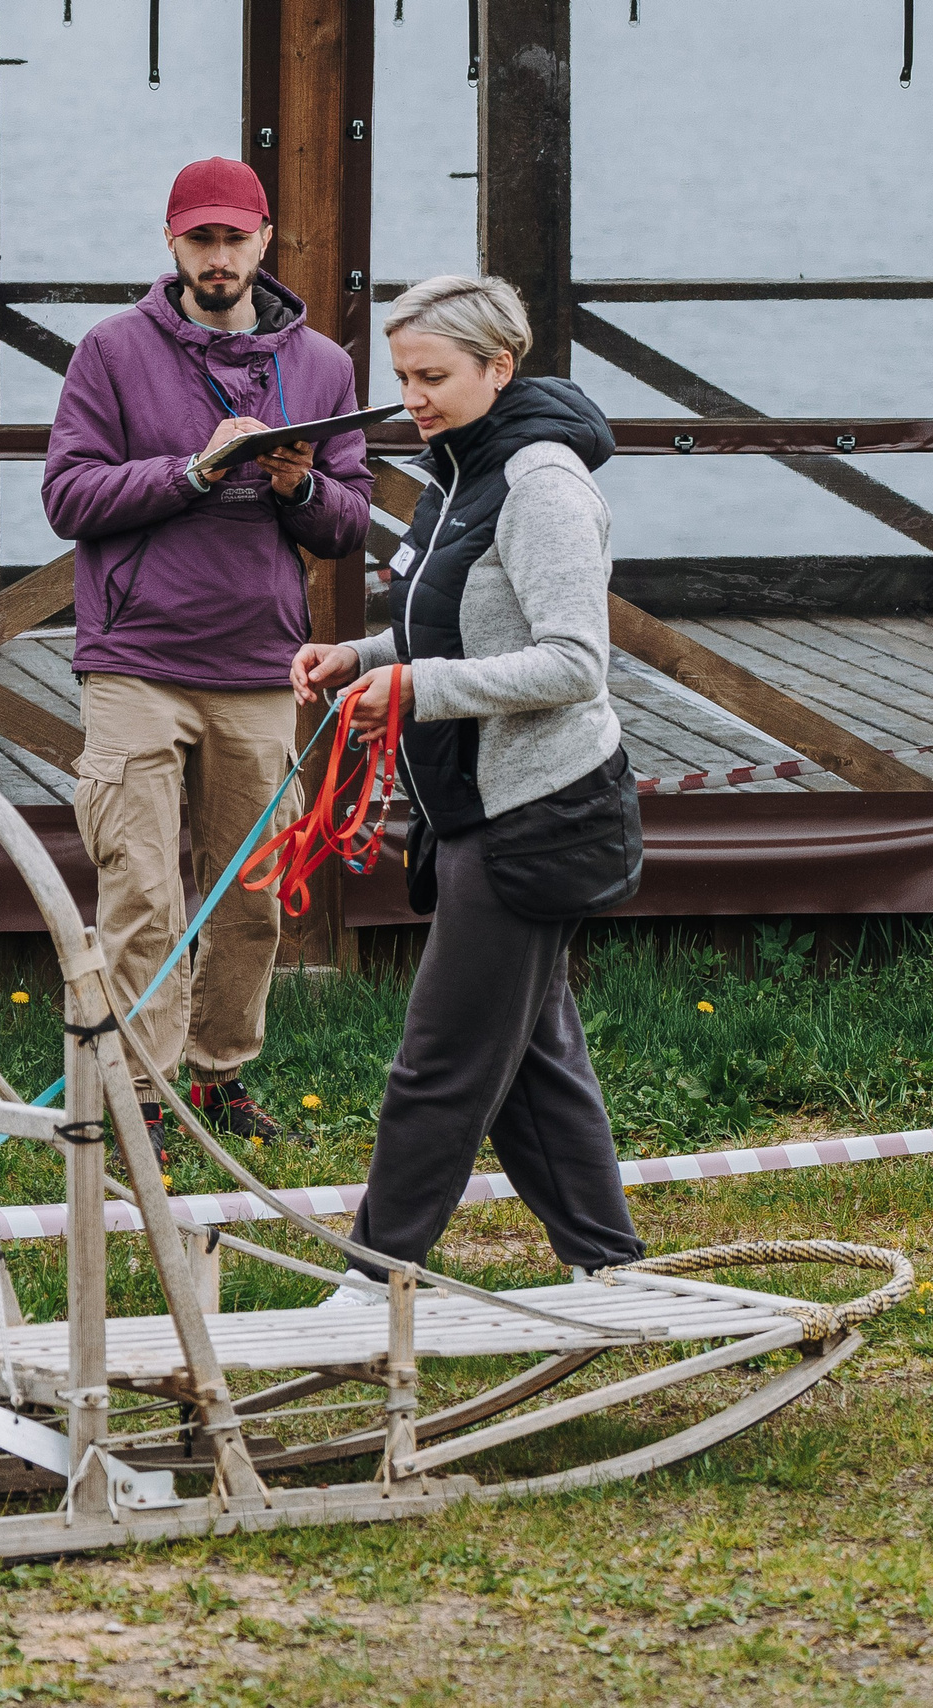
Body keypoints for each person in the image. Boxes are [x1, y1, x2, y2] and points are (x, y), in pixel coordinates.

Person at [290, 275, 646, 1292]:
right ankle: (607, 1267)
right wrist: (361, 657)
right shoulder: (457, 471)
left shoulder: (541, 485)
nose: (412, 398)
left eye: (433, 376)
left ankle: (374, 1279)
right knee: (532, 1058)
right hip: (469, 809)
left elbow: (575, 663)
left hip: (537, 812)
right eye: (402, 376)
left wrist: (415, 689)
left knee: (438, 1064)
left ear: (498, 367)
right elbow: (450, 625)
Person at [43, 157, 372, 1142]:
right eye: (201, 239)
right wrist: (192, 470)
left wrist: (297, 485)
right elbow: (67, 497)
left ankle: (219, 1078)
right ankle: (138, 1099)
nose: (218, 256)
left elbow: (348, 523)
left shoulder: (324, 365)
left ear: (265, 239)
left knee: (252, 898)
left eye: (234, 238)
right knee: (141, 895)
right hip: (134, 659)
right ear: (172, 242)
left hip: (260, 665)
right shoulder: (110, 350)